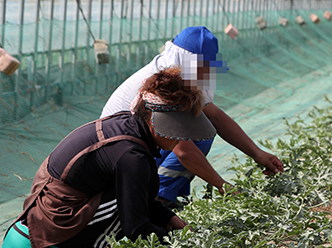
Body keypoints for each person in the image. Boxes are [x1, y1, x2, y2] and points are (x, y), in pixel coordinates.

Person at [2, 67, 215, 248]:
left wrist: (171, 219)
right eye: (177, 127)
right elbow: (136, 227)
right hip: (43, 241)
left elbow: (141, 200)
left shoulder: (126, 124)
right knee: (129, 203)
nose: (182, 136)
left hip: (34, 225)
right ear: (154, 119)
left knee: (134, 194)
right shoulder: (132, 156)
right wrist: (182, 242)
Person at [100, 26, 283, 207]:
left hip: (140, 143)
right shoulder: (162, 84)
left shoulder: (180, 74)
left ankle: (164, 195)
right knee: (191, 138)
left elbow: (217, 118)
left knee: (202, 134)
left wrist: (258, 154)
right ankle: (154, 199)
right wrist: (223, 186)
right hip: (118, 154)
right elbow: (184, 150)